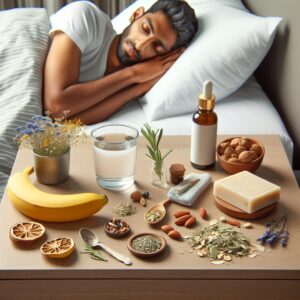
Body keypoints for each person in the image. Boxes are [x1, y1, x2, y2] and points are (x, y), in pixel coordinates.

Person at [43, 0, 198, 124]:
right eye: (145, 29)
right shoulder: (86, 18)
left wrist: (139, 87)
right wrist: (132, 74)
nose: (140, 45)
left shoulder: (128, 85)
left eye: (157, 47)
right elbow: (55, 107)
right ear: (137, 14)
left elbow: (65, 122)